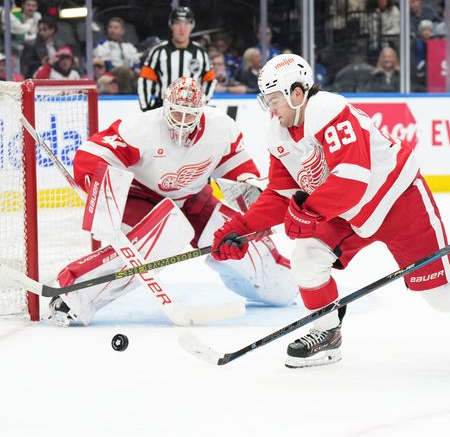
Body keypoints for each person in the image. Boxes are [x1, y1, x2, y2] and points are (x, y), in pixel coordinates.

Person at [211, 54, 450, 368]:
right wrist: (242, 228)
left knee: (442, 296)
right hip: (345, 213)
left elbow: (351, 178)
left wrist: (307, 212)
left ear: (297, 93)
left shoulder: (328, 110)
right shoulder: (278, 134)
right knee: (307, 257)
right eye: (266, 100)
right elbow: (281, 193)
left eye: (274, 99)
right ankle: (327, 335)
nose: (270, 108)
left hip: (398, 202)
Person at [48, 77, 297, 326]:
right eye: (176, 112)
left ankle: (280, 284)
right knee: (164, 235)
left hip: (192, 199)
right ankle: (72, 294)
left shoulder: (221, 128)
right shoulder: (142, 128)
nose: (181, 120)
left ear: (202, 111)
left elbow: (240, 174)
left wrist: (255, 209)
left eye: (189, 115)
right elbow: (91, 155)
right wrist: (99, 188)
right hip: (142, 199)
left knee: (238, 238)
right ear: (166, 106)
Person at [137, 6, 214, 111]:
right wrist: (146, 108)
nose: (182, 29)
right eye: (178, 23)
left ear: (192, 25)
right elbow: (145, 80)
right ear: (171, 25)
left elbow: (209, 80)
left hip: (191, 110)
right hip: (162, 108)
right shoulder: (159, 51)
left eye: (187, 23)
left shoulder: (201, 53)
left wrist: (202, 105)